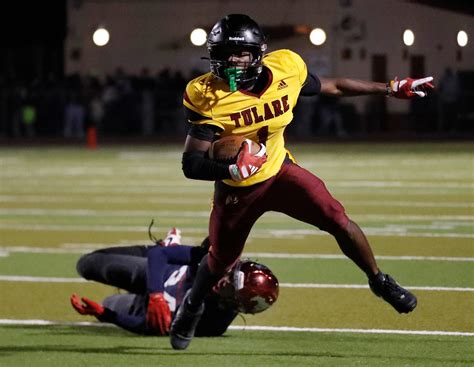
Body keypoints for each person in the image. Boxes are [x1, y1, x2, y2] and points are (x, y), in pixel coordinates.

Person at [171, 14, 435, 350]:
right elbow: (191, 163)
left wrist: (388, 89)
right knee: (220, 258)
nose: (231, 62)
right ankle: (191, 307)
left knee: (337, 218)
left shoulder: (286, 67)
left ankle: (379, 280)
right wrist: (231, 171)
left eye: (240, 54)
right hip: (236, 189)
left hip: (279, 171)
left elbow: (332, 85)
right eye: (223, 54)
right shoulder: (205, 93)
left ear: (259, 54)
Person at [71, 227, 279, 336]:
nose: (224, 281)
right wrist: (155, 294)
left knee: (109, 303)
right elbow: (159, 256)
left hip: (145, 308)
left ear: (235, 304)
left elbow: (151, 328)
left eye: (231, 288)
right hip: (157, 273)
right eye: (231, 276)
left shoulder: (212, 323)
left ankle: (169, 253)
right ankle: (171, 247)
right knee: (87, 265)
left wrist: (105, 314)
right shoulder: (217, 261)